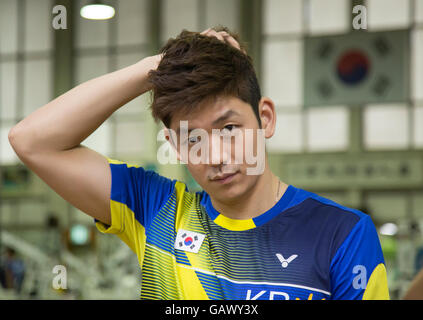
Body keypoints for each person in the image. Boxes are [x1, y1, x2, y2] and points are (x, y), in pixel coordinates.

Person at [8, 26, 389, 300]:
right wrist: (155, 68)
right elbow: (32, 141)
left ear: (266, 118)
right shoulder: (156, 212)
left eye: (229, 128)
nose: (217, 156)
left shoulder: (343, 234)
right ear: (174, 145)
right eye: (193, 139)